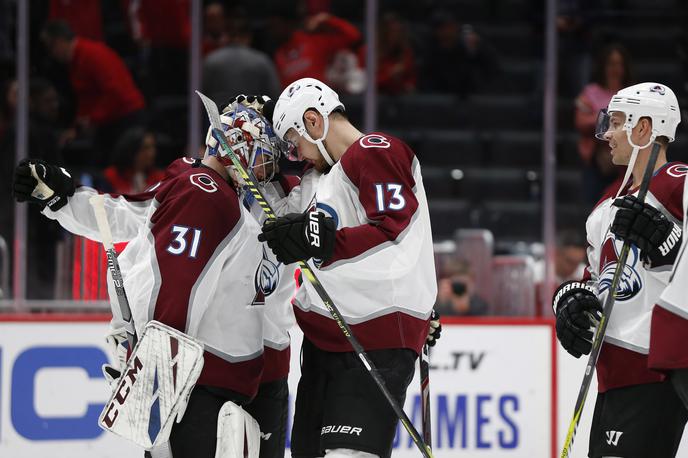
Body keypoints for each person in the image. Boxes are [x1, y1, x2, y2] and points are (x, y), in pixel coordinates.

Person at [12, 115, 275, 457]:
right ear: (235, 148)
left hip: (201, 386)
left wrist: (65, 201)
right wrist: (159, 372)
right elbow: (178, 283)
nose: (266, 166)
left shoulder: (204, 188)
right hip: (195, 388)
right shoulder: (205, 194)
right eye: (260, 153)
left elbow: (127, 214)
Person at [259, 77, 437, 458]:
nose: (297, 153)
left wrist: (322, 244)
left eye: (294, 141)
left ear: (313, 120)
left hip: (372, 342)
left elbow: (394, 229)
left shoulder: (374, 150)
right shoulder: (322, 180)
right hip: (325, 343)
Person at [552, 82, 688, 457]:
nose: (606, 134)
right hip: (613, 374)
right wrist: (568, 301)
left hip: (657, 370)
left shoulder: (680, 183)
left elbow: (677, 259)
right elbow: (597, 280)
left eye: (614, 122)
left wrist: (671, 248)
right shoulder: (605, 205)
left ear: (644, 128)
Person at [41, 20, 146, 165]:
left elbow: (115, 92)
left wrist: (91, 120)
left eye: (51, 48)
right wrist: (77, 127)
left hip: (124, 118)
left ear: (59, 41)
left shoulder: (92, 54)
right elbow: (86, 97)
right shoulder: (77, 59)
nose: (52, 54)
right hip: (111, 118)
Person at [574, 43, 633, 205]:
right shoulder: (590, 92)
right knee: (593, 204)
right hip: (596, 160)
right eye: (611, 64)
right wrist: (610, 117)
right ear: (603, 66)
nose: (616, 69)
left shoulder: (632, 92)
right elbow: (580, 122)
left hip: (624, 162)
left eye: (619, 64)